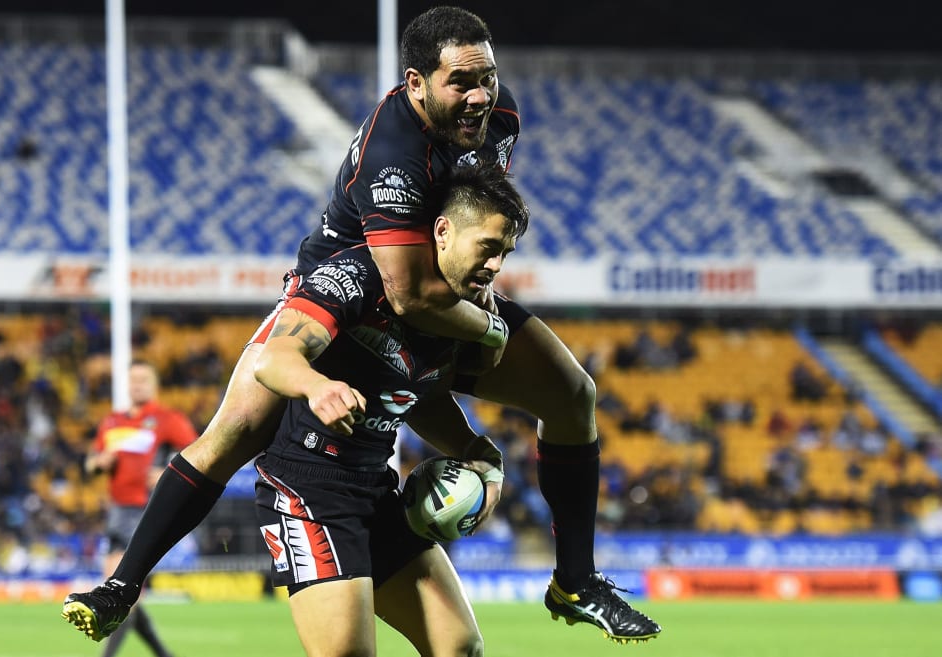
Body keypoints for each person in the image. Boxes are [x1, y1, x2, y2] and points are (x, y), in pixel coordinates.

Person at [63, 5, 660, 644]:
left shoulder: (499, 118)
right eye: (460, 82)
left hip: (441, 287)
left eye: (486, 77)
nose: (479, 95)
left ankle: (576, 579)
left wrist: (477, 435)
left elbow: (473, 222)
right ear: (416, 84)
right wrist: (487, 332)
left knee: (572, 394)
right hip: (352, 288)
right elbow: (409, 294)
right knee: (234, 432)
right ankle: (121, 584)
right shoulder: (393, 152)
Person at [251, 163, 520, 656]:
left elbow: (419, 397)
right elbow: (273, 359)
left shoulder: (468, 313)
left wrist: (479, 451)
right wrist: (316, 387)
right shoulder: (359, 274)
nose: (497, 264)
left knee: (459, 646)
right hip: (309, 488)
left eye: (505, 252)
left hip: (375, 489)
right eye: (488, 247)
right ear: (443, 231)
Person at [62, 359, 197, 656]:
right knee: (122, 591)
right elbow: (91, 463)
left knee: (119, 589)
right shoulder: (112, 423)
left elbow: (197, 453)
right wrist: (99, 463)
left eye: (143, 380)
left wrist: (169, 471)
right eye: (133, 380)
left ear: (154, 385)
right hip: (117, 512)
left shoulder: (167, 419)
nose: (137, 385)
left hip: (144, 511)